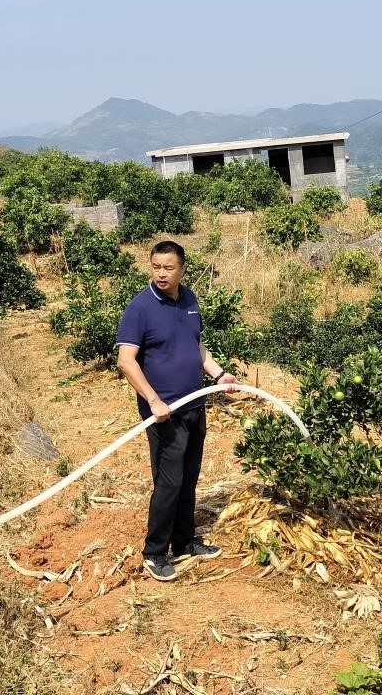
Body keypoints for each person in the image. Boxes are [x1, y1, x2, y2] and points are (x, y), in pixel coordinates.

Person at [117, 239, 237, 582]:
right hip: (164, 412)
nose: (161, 274)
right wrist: (153, 400)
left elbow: (195, 345)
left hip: (194, 404)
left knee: (188, 478)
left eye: (168, 268)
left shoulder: (189, 299)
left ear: (182, 270)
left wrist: (218, 373)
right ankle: (155, 551)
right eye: (156, 267)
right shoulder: (140, 308)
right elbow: (126, 361)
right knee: (168, 482)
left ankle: (185, 542)